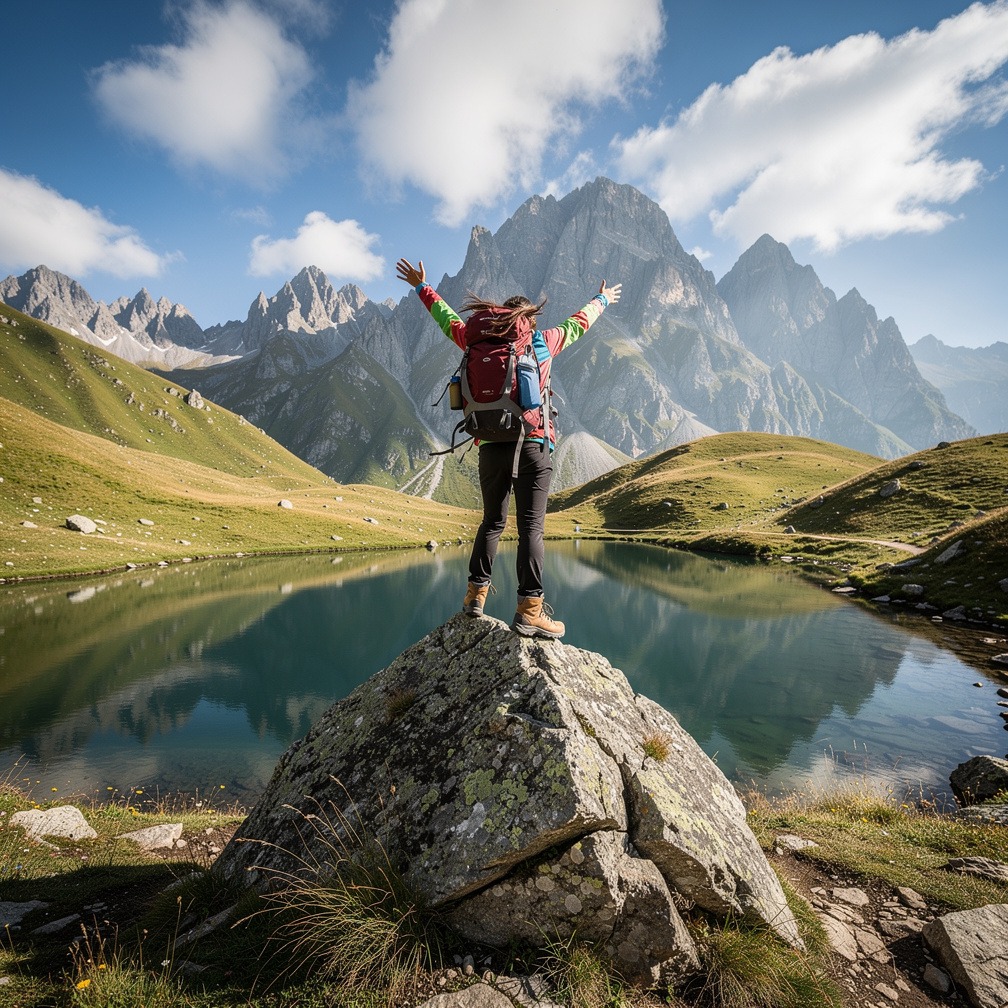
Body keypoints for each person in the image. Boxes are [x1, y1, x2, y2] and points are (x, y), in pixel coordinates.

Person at [396, 257, 621, 639]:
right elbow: (579, 323)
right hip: (532, 444)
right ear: (527, 319)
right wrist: (602, 299)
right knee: (531, 526)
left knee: (492, 522)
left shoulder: (473, 338)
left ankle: (474, 597)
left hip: (489, 445)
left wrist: (422, 287)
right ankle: (530, 610)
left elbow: (446, 318)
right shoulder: (542, 341)